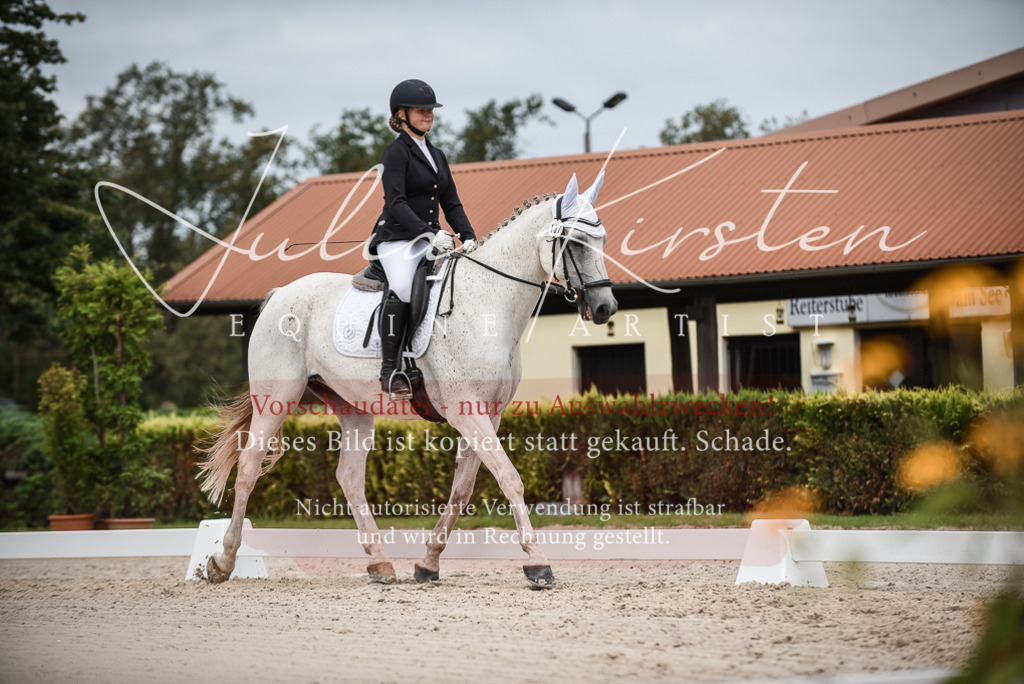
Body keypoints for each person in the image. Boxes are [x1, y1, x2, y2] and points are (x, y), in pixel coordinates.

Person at [370, 79, 478, 396]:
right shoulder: (395, 153)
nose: (428, 114)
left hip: (431, 240)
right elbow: (395, 202)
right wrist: (429, 233)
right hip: (397, 239)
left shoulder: (436, 154)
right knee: (402, 287)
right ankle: (390, 372)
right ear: (401, 115)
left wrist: (469, 236)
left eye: (430, 110)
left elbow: (451, 203)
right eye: (421, 110)